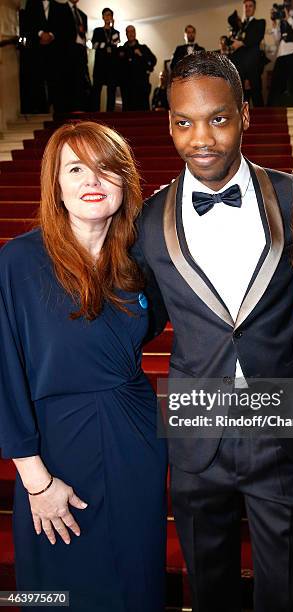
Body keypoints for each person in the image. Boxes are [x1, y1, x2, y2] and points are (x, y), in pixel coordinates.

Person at [133, 51, 293, 612]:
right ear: (168, 123)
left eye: (218, 118)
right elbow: (143, 314)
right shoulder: (146, 220)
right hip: (196, 426)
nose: (200, 137)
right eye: (183, 122)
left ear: (246, 115)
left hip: (281, 421)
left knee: (287, 584)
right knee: (207, 584)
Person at [0, 122, 167, 611]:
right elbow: (5, 376)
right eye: (76, 169)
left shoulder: (139, 259)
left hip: (134, 440)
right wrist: (36, 480)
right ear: (56, 183)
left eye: (106, 168)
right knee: (59, 592)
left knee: (136, 581)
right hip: (55, 453)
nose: (92, 181)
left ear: (124, 181)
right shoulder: (18, 261)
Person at [21, 0, 64, 112]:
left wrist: (51, 35)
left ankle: (56, 107)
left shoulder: (59, 6)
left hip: (54, 51)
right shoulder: (31, 4)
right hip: (37, 50)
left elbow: (62, 26)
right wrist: (40, 34)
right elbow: (28, 23)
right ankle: (41, 108)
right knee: (38, 79)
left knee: (54, 80)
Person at [230, 0, 266, 106]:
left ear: (254, 8)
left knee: (257, 95)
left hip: (253, 66)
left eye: (250, 6)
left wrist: (241, 43)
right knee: (241, 99)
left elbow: (257, 38)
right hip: (240, 69)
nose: (248, 8)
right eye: (246, 6)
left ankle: (263, 121)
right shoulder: (239, 27)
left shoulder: (260, 22)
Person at [58, 0, 91, 111]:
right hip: (67, 51)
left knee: (80, 80)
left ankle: (80, 107)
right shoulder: (60, 9)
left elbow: (83, 35)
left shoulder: (82, 15)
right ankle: (68, 108)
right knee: (68, 80)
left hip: (81, 51)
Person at [267, 0, 293, 106]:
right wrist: (274, 24)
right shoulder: (282, 16)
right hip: (281, 53)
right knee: (276, 83)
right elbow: (277, 39)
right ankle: (273, 106)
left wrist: (288, 18)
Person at [119, 25, 157, 111]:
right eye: (128, 32)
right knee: (127, 113)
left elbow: (153, 60)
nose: (131, 34)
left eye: (132, 31)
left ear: (135, 33)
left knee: (143, 113)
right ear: (126, 34)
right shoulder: (122, 50)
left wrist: (141, 55)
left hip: (141, 87)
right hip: (127, 88)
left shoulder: (143, 48)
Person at [91, 7, 120, 111]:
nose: (108, 17)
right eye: (106, 15)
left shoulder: (115, 32)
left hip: (111, 66)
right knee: (96, 90)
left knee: (111, 91)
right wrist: (108, 44)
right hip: (100, 65)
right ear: (103, 17)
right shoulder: (97, 30)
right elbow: (94, 46)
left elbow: (115, 44)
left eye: (110, 15)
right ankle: (95, 112)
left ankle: (110, 113)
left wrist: (113, 27)